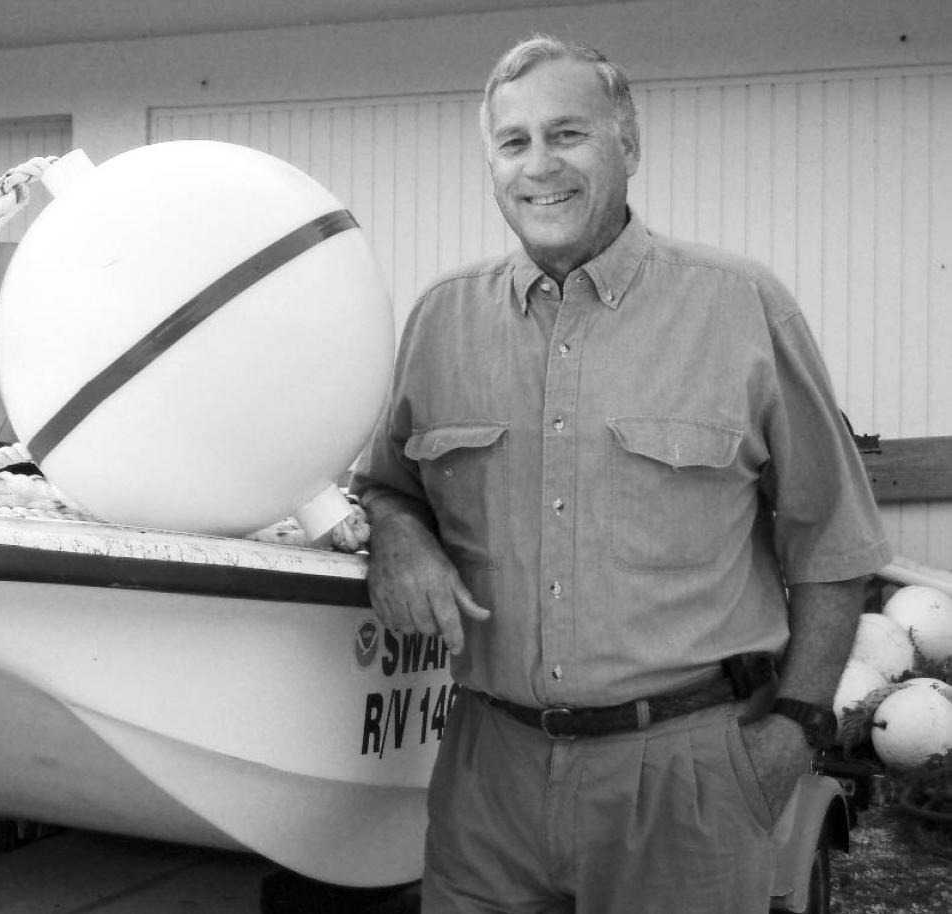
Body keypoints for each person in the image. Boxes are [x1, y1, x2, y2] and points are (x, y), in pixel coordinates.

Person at [350, 34, 892, 914]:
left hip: (686, 777)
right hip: (488, 769)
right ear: (490, 163)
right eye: (513, 142)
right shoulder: (440, 320)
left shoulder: (742, 307)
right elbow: (384, 486)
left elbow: (834, 546)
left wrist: (793, 734)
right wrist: (401, 541)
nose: (540, 166)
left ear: (628, 146)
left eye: (568, 134)